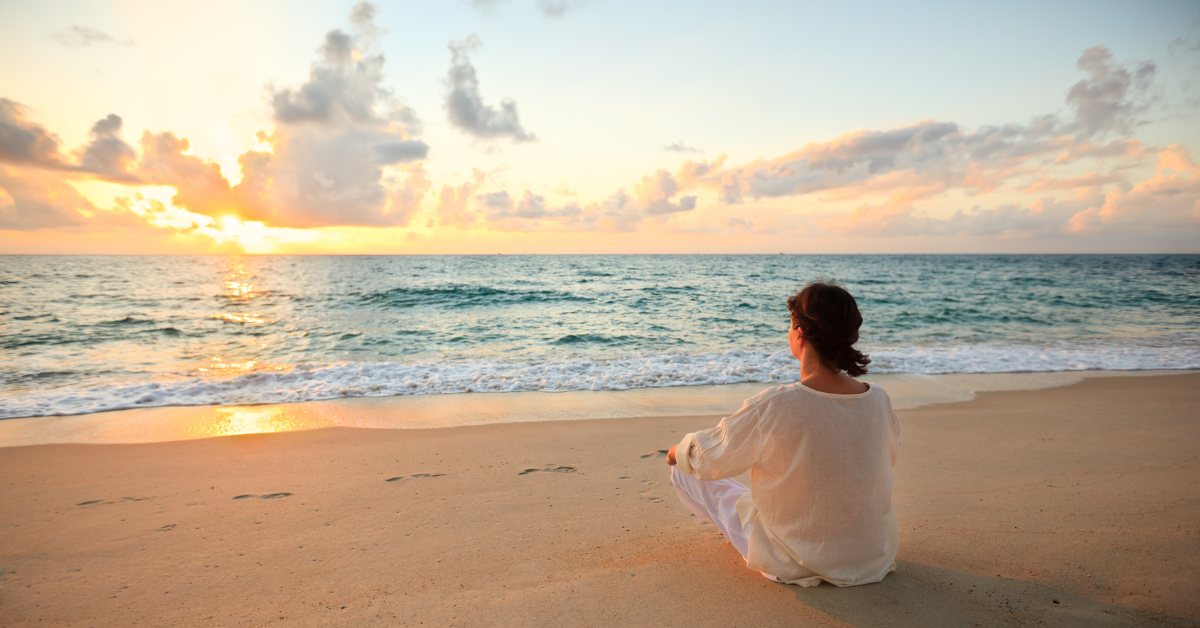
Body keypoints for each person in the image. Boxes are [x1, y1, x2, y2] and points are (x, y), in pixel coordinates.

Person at [666, 281, 899, 587]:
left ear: (800, 333)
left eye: (791, 325)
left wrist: (675, 452)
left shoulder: (776, 403)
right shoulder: (878, 399)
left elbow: (707, 458)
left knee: (684, 468)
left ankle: (748, 540)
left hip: (793, 560)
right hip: (871, 557)